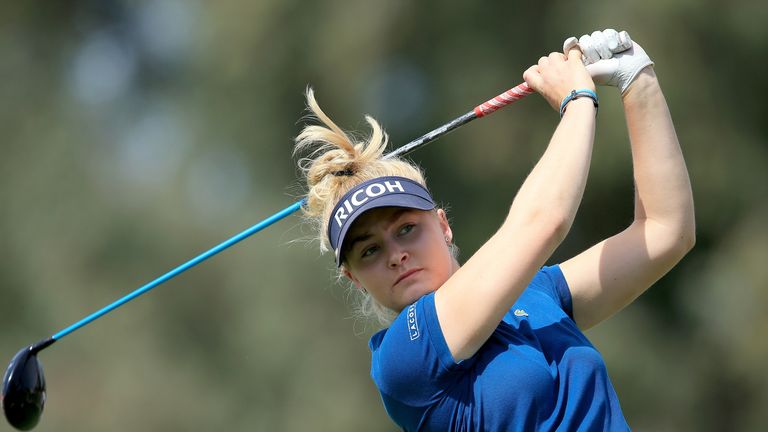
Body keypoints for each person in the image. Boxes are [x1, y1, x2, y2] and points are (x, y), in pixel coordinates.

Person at [293, 29, 695, 431]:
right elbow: (543, 222)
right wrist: (577, 102)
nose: (396, 255)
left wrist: (637, 80)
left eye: (406, 229)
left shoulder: (537, 294)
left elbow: (665, 232)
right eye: (369, 252)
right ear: (355, 280)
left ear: (443, 225)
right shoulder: (404, 359)